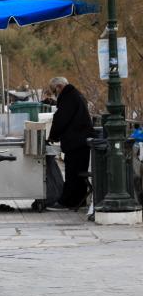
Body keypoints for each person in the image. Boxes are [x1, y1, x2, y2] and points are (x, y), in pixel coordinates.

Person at [47, 77, 94, 210]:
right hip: (81, 141)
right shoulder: (76, 95)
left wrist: (53, 136)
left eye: (54, 91)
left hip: (75, 142)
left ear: (59, 87)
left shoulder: (68, 97)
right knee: (78, 172)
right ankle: (79, 200)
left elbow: (61, 119)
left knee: (72, 173)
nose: (55, 95)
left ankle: (68, 201)